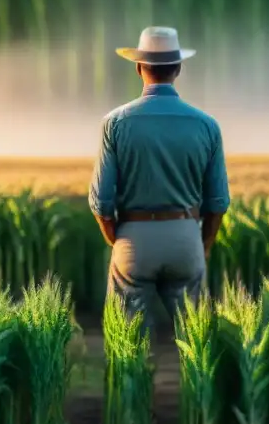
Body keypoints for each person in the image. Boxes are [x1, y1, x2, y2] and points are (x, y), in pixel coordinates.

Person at [88, 26, 230, 339]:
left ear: (139, 68)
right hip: (185, 235)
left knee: (126, 340)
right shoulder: (207, 125)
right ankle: (197, 385)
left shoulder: (115, 123)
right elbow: (218, 201)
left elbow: (100, 202)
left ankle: (131, 384)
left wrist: (118, 238)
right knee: (197, 340)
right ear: (178, 68)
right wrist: (202, 245)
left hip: (133, 236)